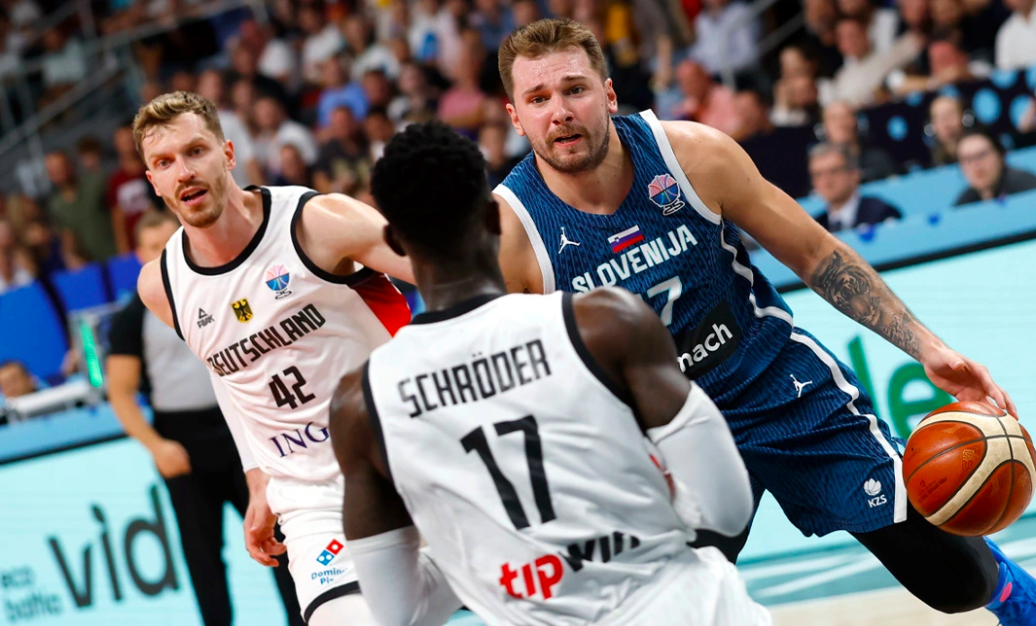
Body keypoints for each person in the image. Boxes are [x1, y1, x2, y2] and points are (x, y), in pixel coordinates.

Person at [493, 18, 1034, 624]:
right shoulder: (509, 233)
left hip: (774, 383)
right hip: (660, 430)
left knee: (959, 580)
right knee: (663, 612)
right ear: (516, 117)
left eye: (575, 89)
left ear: (609, 94)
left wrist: (927, 348)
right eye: (538, 98)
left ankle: (1014, 595)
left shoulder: (693, 155)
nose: (560, 112)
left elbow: (816, 253)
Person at [329, 120, 771, 626]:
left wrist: (489, 549)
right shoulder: (604, 322)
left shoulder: (361, 403)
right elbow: (726, 510)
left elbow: (400, 613)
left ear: (394, 241)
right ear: (494, 217)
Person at [132, 91, 415, 625]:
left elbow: (446, 272)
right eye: (164, 163)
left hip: (411, 452)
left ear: (228, 153)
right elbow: (229, 374)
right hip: (314, 500)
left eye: (195, 151)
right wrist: (257, 475)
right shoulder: (161, 286)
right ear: (153, 181)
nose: (183, 172)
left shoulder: (315, 221)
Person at [107, 210, 304, 626]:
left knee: (278, 536)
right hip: (182, 444)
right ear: (138, 254)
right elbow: (120, 393)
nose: (160, 255)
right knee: (202, 556)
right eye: (151, 247)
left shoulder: (219, 288)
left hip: (241, 432)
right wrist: (156, 446)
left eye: (167, 244)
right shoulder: (131, 318)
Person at [808, 143, 902, 232]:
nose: (826, 182)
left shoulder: (880, 212)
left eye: (834, 171)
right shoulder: (815, 227)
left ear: (854, 174)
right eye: (818, 175)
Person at [953, 127, 1036, 206]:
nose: (975, 164)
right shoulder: (966, 202)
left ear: (1000, 155)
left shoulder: (1025, 184)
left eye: (981, 155)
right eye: (967, 159)